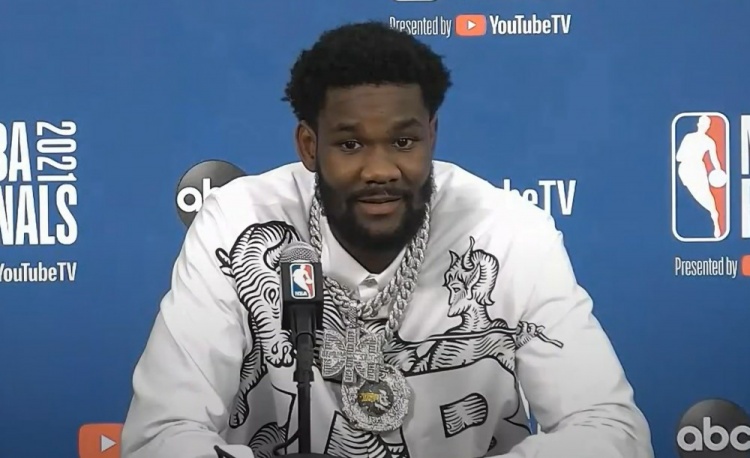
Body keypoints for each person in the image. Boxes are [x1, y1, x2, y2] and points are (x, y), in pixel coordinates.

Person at [121, 21, 654, 458]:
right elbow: (159, 435)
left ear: (432, 135)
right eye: (350, 144)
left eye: (403, 141)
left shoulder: (509, 232)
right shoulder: (238, 222)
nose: (380, 170)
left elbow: (611, 430)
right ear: (309, 146)